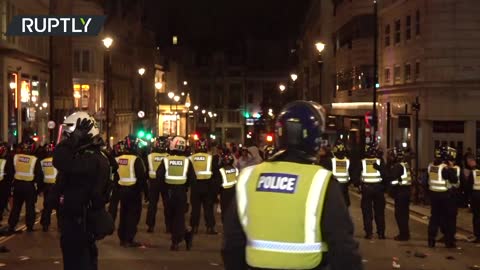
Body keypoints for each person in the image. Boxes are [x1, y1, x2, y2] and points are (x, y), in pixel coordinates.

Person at [222, 100, 363, 270]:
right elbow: (343, 249)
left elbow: (232, 244)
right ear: (315, 138)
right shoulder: (321, 181)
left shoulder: (248, 177)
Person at [53, 112, 112, 270]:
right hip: (80, 220)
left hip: (80, 222)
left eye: (71, 136)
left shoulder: (90, 158)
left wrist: (73, 140)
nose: (68, 140)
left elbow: (59, 159)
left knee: (78, 263)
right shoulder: (93, 156)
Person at [156, 136, 195, 251]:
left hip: (169, 192)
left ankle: (175, 241)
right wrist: (186, 187)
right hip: (181, 192)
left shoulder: (166, 160)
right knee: (179, 216)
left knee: (172, 216)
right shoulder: (187, 161)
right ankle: (186, 234)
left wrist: (162, 190)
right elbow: (192, 178)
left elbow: (159, 176)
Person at [115, 136, 148, 247]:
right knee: (133, 216)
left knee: (123, 214)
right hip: (134, 191)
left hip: (122, 190)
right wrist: (146, 193)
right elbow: (142, 178)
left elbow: (115, 176)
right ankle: (129, 239)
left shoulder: (118, 158)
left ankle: (122, 238)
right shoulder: (136, 159)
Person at [8, 138, 43, 233]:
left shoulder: (15, 157)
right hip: (29, 186)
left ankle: (12, 225)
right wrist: (39, 189)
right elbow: (39, 175)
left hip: (17, 185)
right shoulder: (34, 160)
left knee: (16, 207)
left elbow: (10, 172)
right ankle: (30, 227)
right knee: (30, 207)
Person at [427, 146, 459, 248]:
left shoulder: (431, 166)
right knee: (447, 219)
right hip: (444, 196)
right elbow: (454, 180)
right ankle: (448, 241)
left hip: (433, 195)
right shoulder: (444, 168)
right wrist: (450, 168)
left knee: (434, 219)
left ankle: (431, 240)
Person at [189, 138, 219, 234]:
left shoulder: (191, 158)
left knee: (195, 208)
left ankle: (194, 227)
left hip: (195, 186)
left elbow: (188, 173)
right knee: (208, 208)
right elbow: (215, 173)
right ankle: (210, 227)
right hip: (207, 185)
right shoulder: (210, 158)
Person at [356, 142, 386, 239]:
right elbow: (385, 174)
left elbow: (356, 176)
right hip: (378, 189)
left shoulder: (362, 162)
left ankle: (369, 233)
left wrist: (359, 185)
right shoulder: (379, 161)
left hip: (366, 189)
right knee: (379, 212)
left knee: (367, 212)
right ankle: (381, 233)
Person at [382, 148, 411, 241]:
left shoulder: (397, 167)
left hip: (400, 192)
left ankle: (403, 235)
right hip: (406, 192)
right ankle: (406, 233)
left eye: (391, 156)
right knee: (405, 214)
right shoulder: (405, 165)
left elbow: (391, 179)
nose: (389, 158)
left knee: (400, 215)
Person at [146, 136, 170, 233]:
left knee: (152, 205)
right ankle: (168, 226)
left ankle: (150, 226)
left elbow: (146, 170)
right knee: (167, 205)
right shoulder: (168, 156)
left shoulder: (150, 156)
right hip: (165, 182)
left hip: (153, 182)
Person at [40, 143, 60, 232]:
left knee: (47, 207)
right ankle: (60, 226)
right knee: (59, 207)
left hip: (47, 187)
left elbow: (40, 175)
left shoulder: (42, 162)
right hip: (56, 186)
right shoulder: (57, 161)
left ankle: (45, 225)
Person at [218, 152, 238, 223]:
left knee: (225, 210)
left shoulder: (221, 170)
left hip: (225, 192)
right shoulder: (235, 169)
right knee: (233, 209)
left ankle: (226, 224)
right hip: (234, 192)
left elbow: (218, 182)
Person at [331, 141, 351, 207]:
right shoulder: (347, 161)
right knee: (345, 203)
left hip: (335, 185)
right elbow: (351, 173)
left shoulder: (331, 161)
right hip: (345, 185)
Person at [466, 155, 480, 242]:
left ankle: (477, 236)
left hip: (476, 196)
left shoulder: (473, 172)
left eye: (468, 162)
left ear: (472, 161)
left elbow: (469, 186)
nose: (468, 164)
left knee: (476, 216)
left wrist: (468, 198)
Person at [0, 142, 13, 224]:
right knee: (2, 203)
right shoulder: (7, 160)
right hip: (3, 185)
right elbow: (10, 173)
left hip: (4, 184)